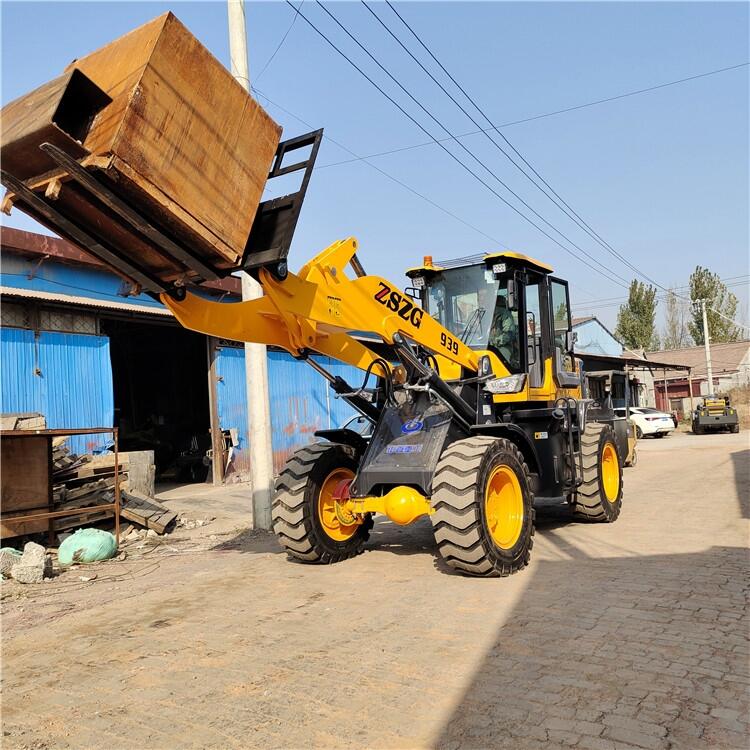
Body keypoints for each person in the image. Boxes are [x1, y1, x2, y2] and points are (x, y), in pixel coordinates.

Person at [489, 294, 519, 368]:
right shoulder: (483, 314)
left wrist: (494, 341)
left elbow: (509, 334)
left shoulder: (505, 314)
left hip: (501, 348)